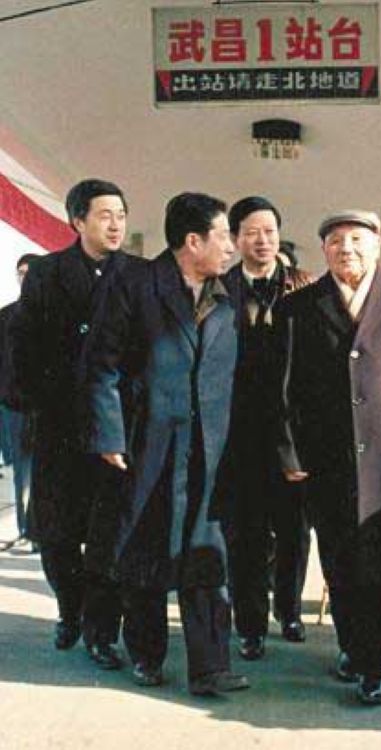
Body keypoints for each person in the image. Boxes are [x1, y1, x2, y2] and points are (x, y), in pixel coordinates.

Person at [276, 209, 381, 705]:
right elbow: (283, 388)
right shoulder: (299, 306)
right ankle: (354, 648)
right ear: (324, 250)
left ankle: (375, 665)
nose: (346, 249)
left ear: (376, 247)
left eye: (357, 239)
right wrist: (290, 451)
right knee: (339, 560)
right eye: (335, 240)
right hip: (325, 456)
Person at [85, 192, 249, 696]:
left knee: (208, 554)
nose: (231, 246)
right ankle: (147, 655)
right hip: (148, 445)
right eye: (223, 236)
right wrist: (110, 435)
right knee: (146, 551)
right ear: (192, 241)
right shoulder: (136, 285)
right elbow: (101, 365)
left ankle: (210, 667)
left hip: (210, 449)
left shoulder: (227, 294)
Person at [11, 179, 135, 669]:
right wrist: (36, 402)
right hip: (58, 426)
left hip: (116, 429)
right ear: (78, 221)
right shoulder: (47, 273)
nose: (115, 224)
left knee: (109, 536)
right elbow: (23, 345)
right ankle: (70, 610)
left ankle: (102, 633)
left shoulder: (139, 274)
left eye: (121, 214)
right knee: (58, 535)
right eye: (105, 215)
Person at [222, 196, 314, 661]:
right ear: (235, 238)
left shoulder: (304, 288)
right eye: (252, 232)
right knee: (245, 535)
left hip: (294, 436)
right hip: (238, 436)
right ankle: (250, 625)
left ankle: (290, 610)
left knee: (295, 531)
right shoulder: (219, 289)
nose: (263, 240)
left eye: (270, 232)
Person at [0, 253, 41, 548]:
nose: (25, 278)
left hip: (48, 408)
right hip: (14, 406)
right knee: (21, 471)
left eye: (30, 272)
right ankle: (26, 529)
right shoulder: (5, 317)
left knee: (46, 469)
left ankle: (42, 532)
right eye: (21, 272)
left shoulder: (56, 314)